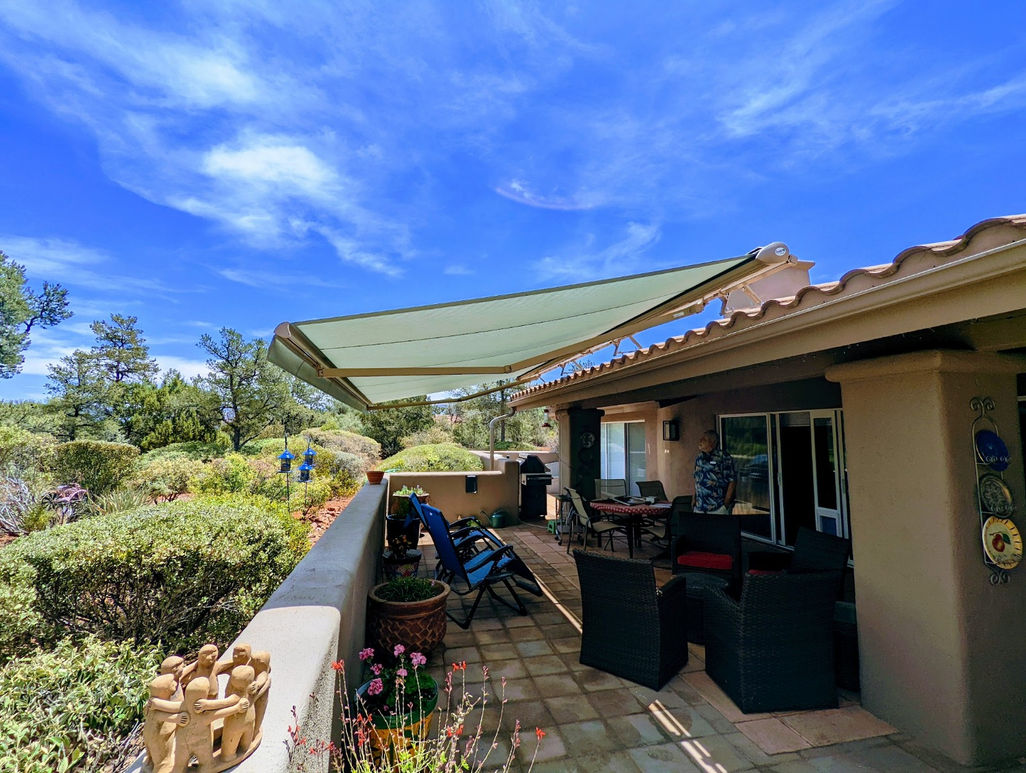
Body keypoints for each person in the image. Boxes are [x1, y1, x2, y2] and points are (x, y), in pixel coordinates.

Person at [694, 429, 736, 514]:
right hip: (699, 507)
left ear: (712, 443)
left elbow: (732, 481)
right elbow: (696, 479)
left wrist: (725, 505)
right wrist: (694, 499)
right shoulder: (699, 458)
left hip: (717, 508)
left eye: (704, 439)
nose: (700, 441)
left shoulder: (723, 457)